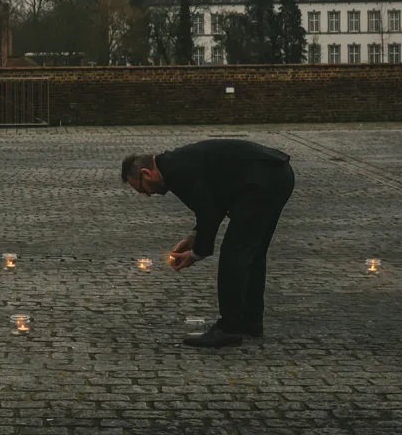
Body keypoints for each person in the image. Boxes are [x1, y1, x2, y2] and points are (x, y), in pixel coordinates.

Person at [122, 138, 295, 348]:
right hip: (276, 175)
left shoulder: (176, 171)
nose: (149, 194)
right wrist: (194, 238)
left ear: (146, 173)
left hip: (262, 183)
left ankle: (229, 328)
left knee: (235, 256)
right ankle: (250, 320)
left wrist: (196, 254)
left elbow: (208, 211)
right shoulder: (174, 164)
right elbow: (214, 201)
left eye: (143, 189)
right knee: (252, 255)